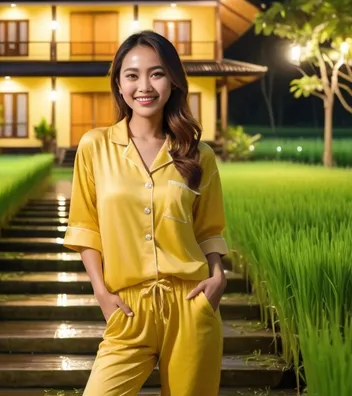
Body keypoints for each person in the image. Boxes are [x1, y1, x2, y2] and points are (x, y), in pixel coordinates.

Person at [63, 30, 228, 396]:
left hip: (191, 303)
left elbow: (209, 230)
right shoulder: (95, 146)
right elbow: (85, 226)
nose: (145, 86)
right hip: (128, 308)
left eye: (157, 73)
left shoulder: (198, 154)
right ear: (119, 84)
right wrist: (101, 293)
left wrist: (218, 278)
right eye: (132, 74)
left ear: (172, 81)